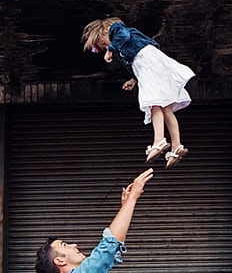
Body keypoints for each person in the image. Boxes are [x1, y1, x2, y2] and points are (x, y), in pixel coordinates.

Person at [82, 17, 196, 168]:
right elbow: (136, 67)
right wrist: (133, 81)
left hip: (151, 64)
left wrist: (110, 50)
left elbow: (124, 36)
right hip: (151, 68)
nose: (107, 46)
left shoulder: (116, 29)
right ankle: (177, 145)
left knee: (153, 103)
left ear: (105, 32)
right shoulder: (122, 51)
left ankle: (159, 140)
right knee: (165, 107)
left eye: (104, 43)